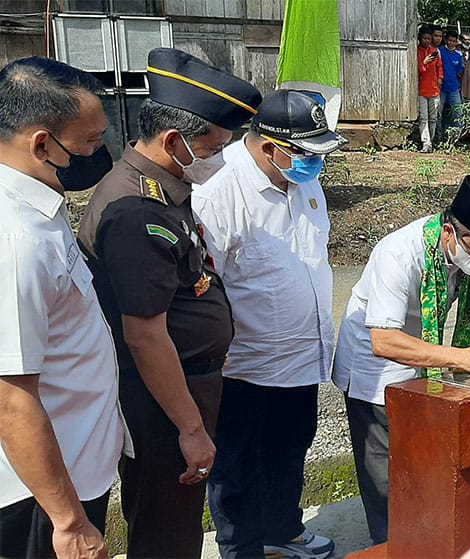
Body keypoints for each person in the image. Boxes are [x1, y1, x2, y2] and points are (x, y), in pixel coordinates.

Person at [77, 47, 261, 558]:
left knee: (175, 519)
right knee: (167, 529)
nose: (219, 159)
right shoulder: (136, 209)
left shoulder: (164, 189)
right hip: (162, 398)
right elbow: (145, 333)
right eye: (215, 147)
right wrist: (190, 427)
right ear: (175, 140)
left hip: (185, 384)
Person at [332, 175, 470, 545]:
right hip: (375, 372)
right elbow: (383, 340)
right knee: (388, 477)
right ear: (448, 232)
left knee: (423, 464)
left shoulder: (469, 253)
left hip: (421, 360)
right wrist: (461, 357)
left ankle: (425, 541)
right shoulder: (398, 254)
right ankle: (390, 546)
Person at [193, 91, 345, 559]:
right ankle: (240, 549)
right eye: (306, 155)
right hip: (245, 366)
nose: (314, 165)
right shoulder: (220, 190)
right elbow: (203, 280)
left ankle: (282, 529)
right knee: (235, 464)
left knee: (290, 447)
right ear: (267, 147)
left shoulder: (302, 180)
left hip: (302, 357)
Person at [0, 56, 130, 559]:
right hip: (40, 494)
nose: (101, 153)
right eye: (92, 143)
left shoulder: (39, 206)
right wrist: (69, 522)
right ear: (41, 143)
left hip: (73, 467)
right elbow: (11, 397)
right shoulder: (15, 241)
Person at [417, 25, 443, 153]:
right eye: (424, 38)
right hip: (422, 91)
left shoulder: (435, 51)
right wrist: (424, 63)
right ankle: (426, 143)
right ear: (420, 39)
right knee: (423, 119)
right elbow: (416, 71)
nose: (427, 41)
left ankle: (431, 142)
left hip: (434, 90)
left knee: (433, 118)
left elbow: (440, 68)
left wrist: (440, 79)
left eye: (429, 38)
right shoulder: (416, 51)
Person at [437, 28, 464, 142]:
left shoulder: (458, 56)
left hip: (454, 88)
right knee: (438, 113)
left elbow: (460, 72)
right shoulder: (439, 51)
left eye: (454, 41)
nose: (452, 43)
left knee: (458, 113)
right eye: (450, 40)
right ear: (446, 40)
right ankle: (438, 137)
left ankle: (456, 138)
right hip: (441, 88)